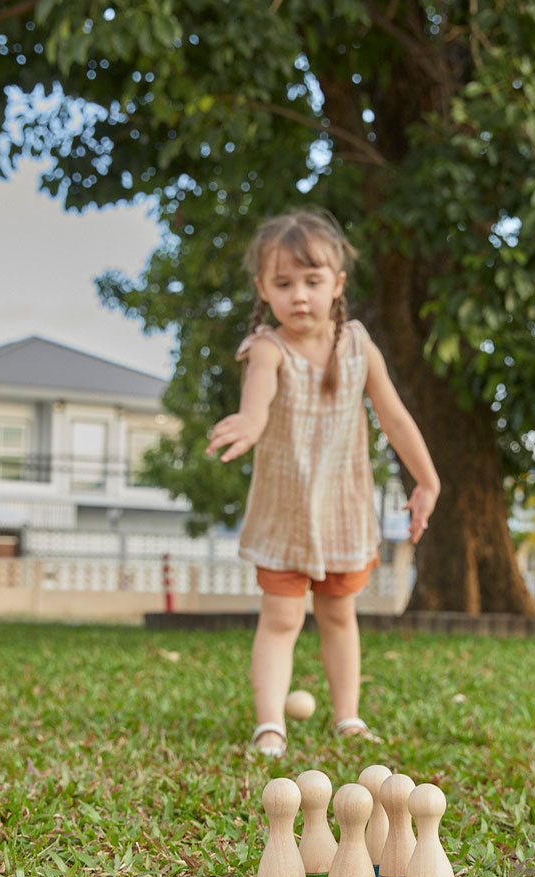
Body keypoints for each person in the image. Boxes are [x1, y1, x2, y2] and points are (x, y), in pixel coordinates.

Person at [206, 208, 440, 756]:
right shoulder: (268, 347)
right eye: (284, 284)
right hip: (285, 512)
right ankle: (270, 723)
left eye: (312, 282)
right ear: (263, 290)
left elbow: (396, 417)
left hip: (342, 510)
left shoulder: (358, 345)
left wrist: (426, 480)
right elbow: (259, 397)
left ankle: (348, 717)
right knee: (282, 616)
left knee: (339, 614)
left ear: (337, 284)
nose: (300, 296)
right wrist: (249, 422)